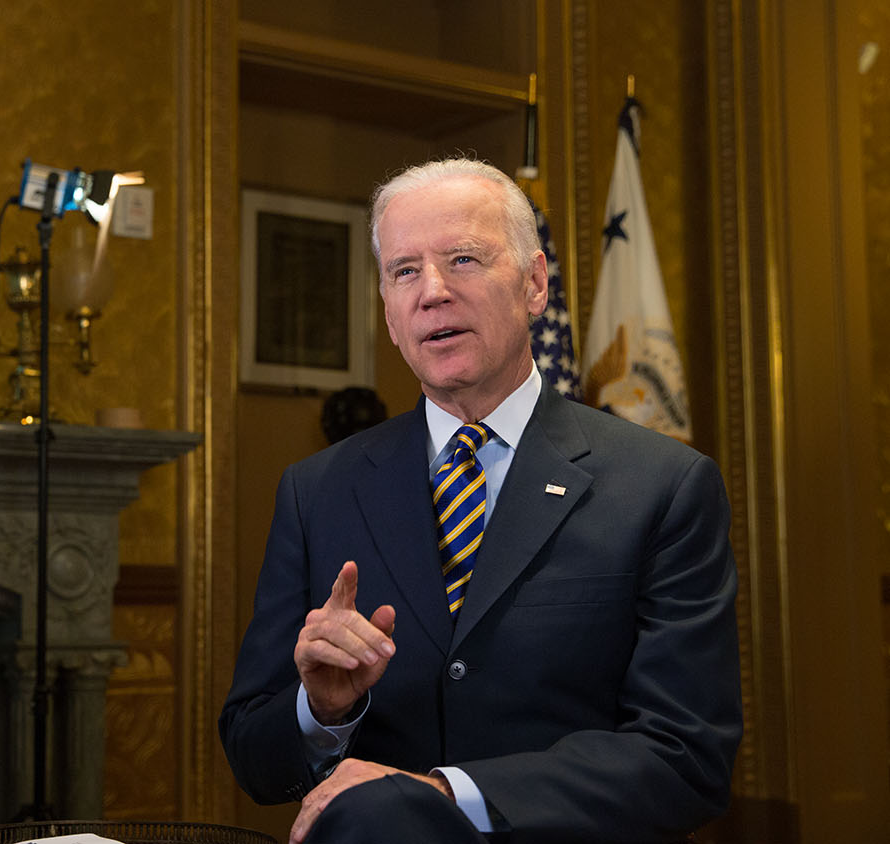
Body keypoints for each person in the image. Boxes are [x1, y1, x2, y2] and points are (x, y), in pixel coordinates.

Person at [218, 158, 741, 844]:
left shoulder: (664, 487)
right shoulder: (316, 491)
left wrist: (443, 793)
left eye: (462, 259)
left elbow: (687, 756)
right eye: (405, 271)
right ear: (389, 312)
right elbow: (255, 760)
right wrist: (321, 709)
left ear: (534, 284)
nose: (431, 292)